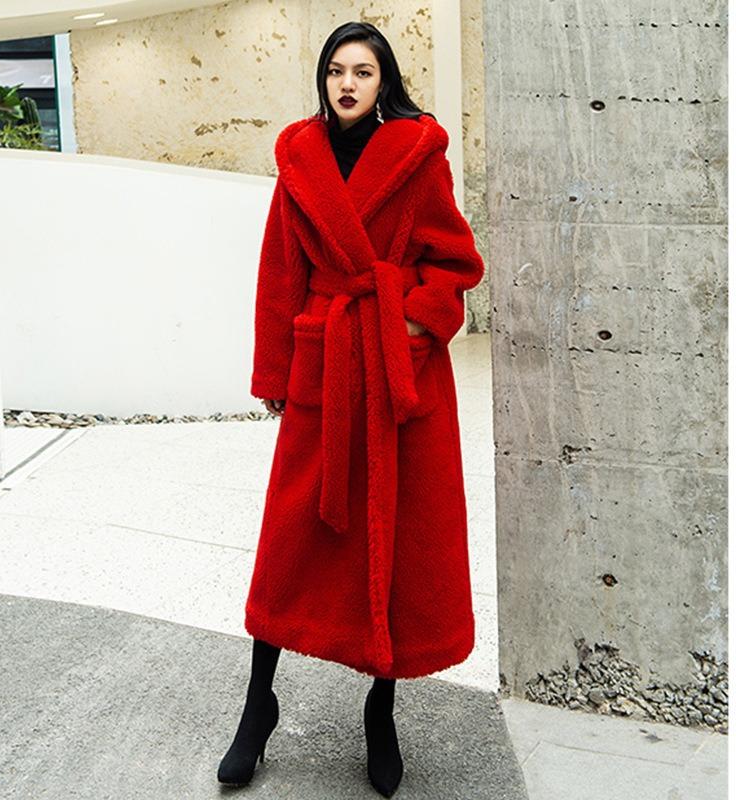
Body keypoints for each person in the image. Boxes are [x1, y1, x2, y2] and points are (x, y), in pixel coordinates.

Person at [218, 20, 485, 798]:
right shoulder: (299, 158)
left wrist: (413, 322)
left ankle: (381, 709)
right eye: (336, 70)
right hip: (326, 363)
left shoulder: (419, 155)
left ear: (383, 82)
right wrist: (275, 372)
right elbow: (279, 272)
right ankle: (258, 703)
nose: (347, 84)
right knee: (291, 540)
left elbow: (456, 262)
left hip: (398, 373)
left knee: (391, 541)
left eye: (362, 72)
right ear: (323, 80)